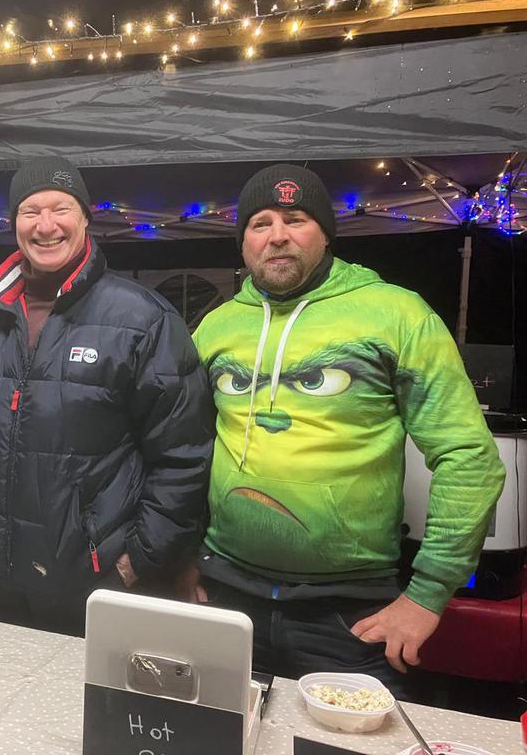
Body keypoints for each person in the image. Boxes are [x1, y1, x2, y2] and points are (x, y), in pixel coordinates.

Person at [192, 164, 505, 691]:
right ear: (243, 241)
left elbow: (469, 456)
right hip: (225, 593)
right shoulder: (217, 326)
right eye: (260, 223)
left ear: (326, 234)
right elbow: (182, 450)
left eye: (296, 219)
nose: (278, 236)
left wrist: (427, 594)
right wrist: (182, 560)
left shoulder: (395, 315)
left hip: (349, 614)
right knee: (215, 732)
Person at [0, 157, 215, 635]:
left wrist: (137, 560)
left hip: (90, 578)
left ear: (86, 218)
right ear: (14, 224)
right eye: (30, 211)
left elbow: (183, 455)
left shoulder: (141, 318)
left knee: (81, 687)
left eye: (61, 209)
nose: (46, 225)